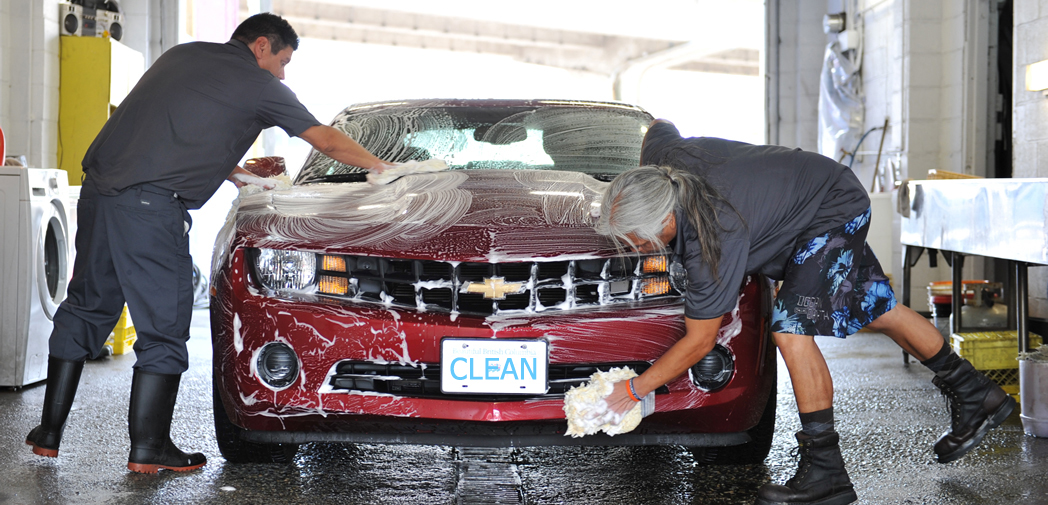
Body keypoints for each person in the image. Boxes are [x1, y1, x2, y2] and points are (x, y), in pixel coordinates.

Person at [26, 13, 395, 474]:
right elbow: (324, 139)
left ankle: (48, 434)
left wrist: (235, 174)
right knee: (164, 324)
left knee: (86, 307)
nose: (283, 74)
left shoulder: (183, 56)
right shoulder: (259, 85)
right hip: (149, 209)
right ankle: (149, 448)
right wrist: (386, 169)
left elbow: (174, 130)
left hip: (100, 192)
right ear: (261, 46)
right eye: (282, 61)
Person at [595, 119, 1015, 505]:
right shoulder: (662, 165)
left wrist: (632, 390)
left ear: (665, 218)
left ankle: (825, 471)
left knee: (789, 328)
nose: (633, 249)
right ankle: (975, 392)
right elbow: (657, 128)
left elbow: (700, 340)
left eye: (636, 239)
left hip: (830, 208)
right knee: (877, 308)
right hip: (815, 193)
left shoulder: (712, 242)